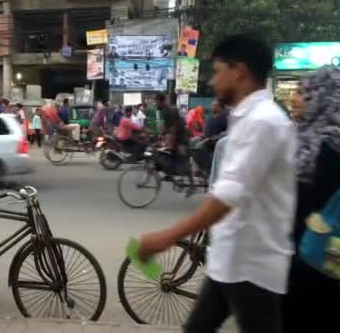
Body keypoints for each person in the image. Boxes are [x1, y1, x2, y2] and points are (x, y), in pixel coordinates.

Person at [139, 35, 296, 333]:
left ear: (239, 71)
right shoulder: (247, 117)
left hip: (253, 266)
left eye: (217, 70)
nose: (213, 81)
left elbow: (229, 195)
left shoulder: (263, 121)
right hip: (231, 259)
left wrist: (167, 236)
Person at [283, 68, 340, 333]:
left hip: (309, 260)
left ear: (323, 98)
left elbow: (298, 205)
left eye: (305, 94)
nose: (295, 99)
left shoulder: (321, 147)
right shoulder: (315, 140)